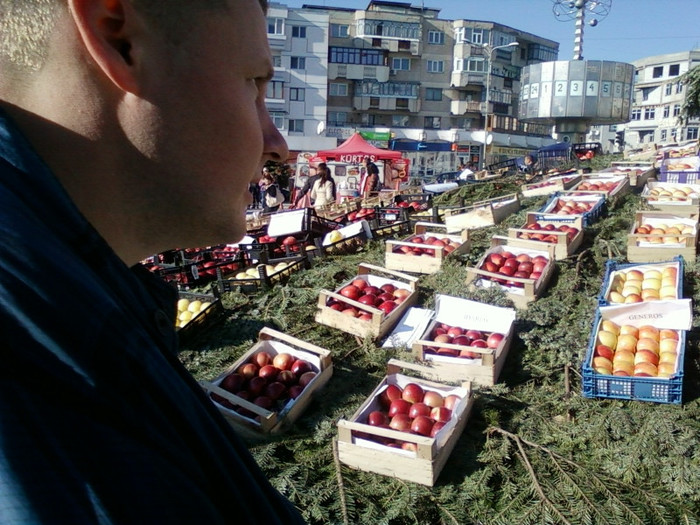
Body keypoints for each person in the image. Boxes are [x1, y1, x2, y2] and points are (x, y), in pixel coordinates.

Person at [0, 1, 305, 524]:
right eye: (254, 82)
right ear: (120, 38)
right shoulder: (49, 395)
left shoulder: (66, 306)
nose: (278, 146)